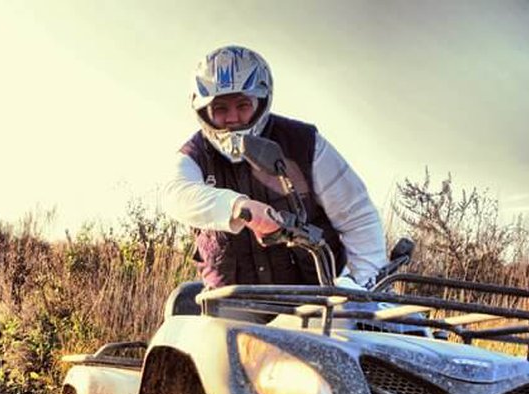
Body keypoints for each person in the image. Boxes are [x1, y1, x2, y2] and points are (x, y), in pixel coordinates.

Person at [164, 45, 387, 291]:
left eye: (242, 105)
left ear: (260, 102)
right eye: (220, 108)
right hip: (232, 309)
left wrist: (359, 285)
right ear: (204, 111)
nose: (232, 117)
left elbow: (358, 215)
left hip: (317, 305)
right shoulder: (194, 155)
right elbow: (174, 194)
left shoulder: (304, 143)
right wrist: (239, 207)